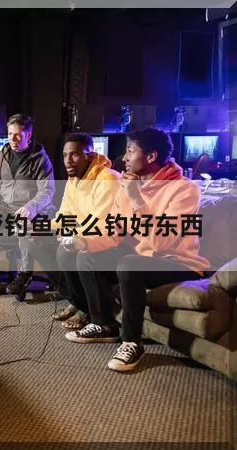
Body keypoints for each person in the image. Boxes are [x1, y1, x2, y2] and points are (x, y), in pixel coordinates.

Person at [62, 128, 209, 372]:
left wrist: (136, 199)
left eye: (130, 151)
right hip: (141, 257)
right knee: (87, 257)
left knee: (129, 263)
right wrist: (85, 242)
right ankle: (104, 325)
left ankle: (131, 342)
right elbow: (113, 230)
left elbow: (161, 242)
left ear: (151, 156)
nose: (124, 157)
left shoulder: (184, 189)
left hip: (178, 262)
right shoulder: (128, 186)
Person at [20, 133, 121, 329]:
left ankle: (89, 312)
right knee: (32, 241)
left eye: (74, 154)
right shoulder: (73, 179)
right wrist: (39, 228)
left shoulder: (108, 179)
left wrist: (71, 236)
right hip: (78, 234)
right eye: (65, 155)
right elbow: (65, 216)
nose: (68, 160)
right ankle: (77, 302)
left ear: (89, 155)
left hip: (105, 240)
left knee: (64, 252)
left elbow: (100, 224)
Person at [0, 113, 55, 294]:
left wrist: (30, 207)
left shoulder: (40, 158)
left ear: (28, 135)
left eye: (18, 135)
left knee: (24, 225)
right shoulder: (1, 156)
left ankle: (25, 273)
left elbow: (47, 191)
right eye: (10, 134)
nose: (13, 139)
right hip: (5, 207)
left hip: (32, 209)